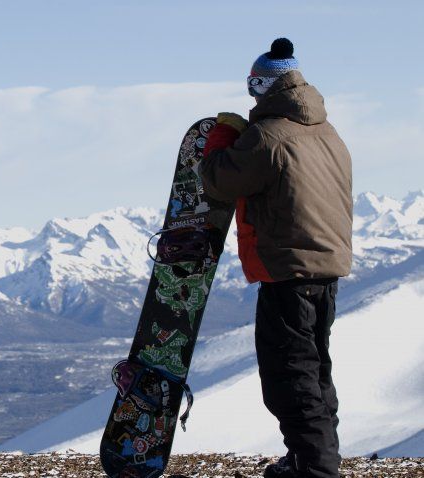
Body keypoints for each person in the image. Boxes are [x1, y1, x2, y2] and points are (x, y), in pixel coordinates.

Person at [198, 38, 353, 478]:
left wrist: (222, 139)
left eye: (253, 88)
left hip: (288, 270)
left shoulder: (270, 136)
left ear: (266, 85)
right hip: (325, 270)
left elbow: (220, 180)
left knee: (290, 377)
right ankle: (311, 458)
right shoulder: (326, 132)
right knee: (314, 369)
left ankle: (316, 470)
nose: (251, 98)